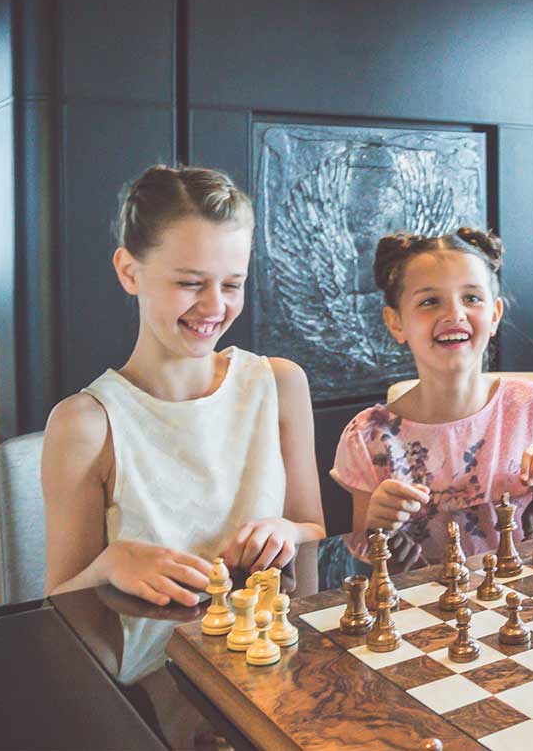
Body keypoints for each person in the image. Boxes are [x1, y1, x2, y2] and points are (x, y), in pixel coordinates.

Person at [42, 165, 326, 606]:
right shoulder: (85, 424)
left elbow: (314, 532)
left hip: (271, 653)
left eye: (232, 284)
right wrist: (111, 564)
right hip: (153, 669)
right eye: (190, 283)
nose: (214, 306)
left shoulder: (281, 385)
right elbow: (56, 602)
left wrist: (288, 531)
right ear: (129, 272)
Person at [331, 229, 533, 563]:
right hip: (426, 608)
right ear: (396, 322)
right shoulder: (367, 436)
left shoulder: (530, 405)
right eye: (429, 301)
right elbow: (364, 552)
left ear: (495, 315)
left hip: (519, 594)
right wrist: (378, 524)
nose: (454, 314)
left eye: (471, 298)